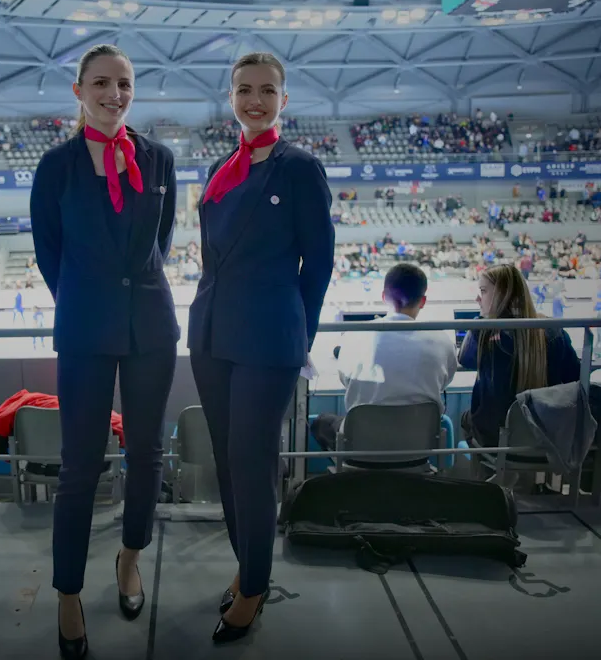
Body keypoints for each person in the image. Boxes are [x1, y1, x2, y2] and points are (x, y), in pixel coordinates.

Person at [30, 44, 180, 660]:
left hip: (150, 327)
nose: (113, 93)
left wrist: (127, 293)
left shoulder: (160, 159)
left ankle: (129, 558)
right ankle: (68, 592)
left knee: (144, 455)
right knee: (79, 467)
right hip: (86, 329)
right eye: (100, 83)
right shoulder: (56, 167)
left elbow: (159, 246)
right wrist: (89, 301)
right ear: (78, 91)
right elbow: (49, 254)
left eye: (123, 83)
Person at [187, 52, 334, 645]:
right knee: (227, 460)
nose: (254, 100)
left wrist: (301, 334)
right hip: (213, 335)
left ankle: (255, 588)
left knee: (252, 462)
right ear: (231, 98)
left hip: (269, 337)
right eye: (244, 90)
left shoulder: (298, 169)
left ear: (283, 100)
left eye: (266, 91)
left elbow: (318, 265)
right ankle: (247, 565)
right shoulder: (226, 167)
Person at [313, 264, 457, 455]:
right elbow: (445, 380)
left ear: (383, 297)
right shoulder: (442, 339)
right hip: (418, 448)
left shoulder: (355, 336)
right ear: (422, 301)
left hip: (363, 446)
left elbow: (346, 380)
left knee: (321, 423)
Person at [459, 265, 581, 448]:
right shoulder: (554, 330)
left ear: (504, 295)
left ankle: (486, 475)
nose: (477, 298)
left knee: (467, 418)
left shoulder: (483, 333)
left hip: (496, 441)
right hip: (546, 438)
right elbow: (575, 377)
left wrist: (480, 322)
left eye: (483, 291)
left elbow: (465, 359)